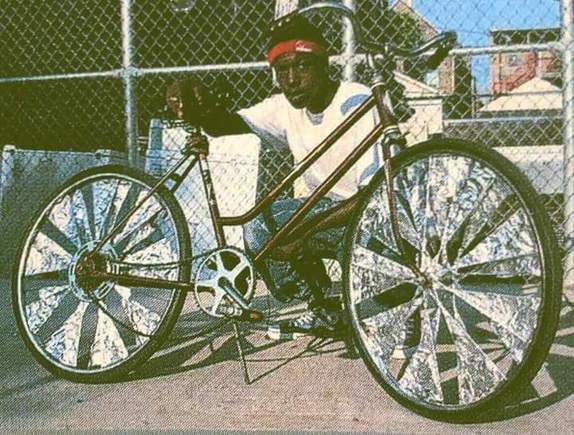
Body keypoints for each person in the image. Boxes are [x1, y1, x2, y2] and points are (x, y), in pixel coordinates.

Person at [166, 15, 419, 349]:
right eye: (282, 70)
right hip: (329, 213)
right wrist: (195, 105)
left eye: (302, 66)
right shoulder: (284, 107)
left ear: (323, 64)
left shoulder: (356, 100)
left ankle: (402, 307)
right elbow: (230, 124)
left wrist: (305, 233)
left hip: (374, 215)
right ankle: (323, 306)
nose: (291, 80)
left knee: (369, 234)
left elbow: (375, 196)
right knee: (259, 226)